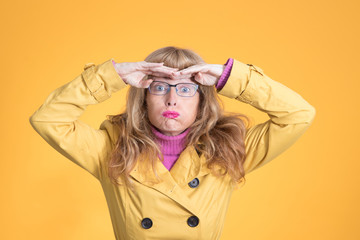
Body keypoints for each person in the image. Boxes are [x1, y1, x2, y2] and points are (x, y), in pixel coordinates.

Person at [29, 46, 316, 240]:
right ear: (143, 97)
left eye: (187, 89)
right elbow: (47, 120)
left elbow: (298, 115)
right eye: (160, 87)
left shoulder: (230, 148)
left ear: (202, 100)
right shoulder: (111, 149)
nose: (172, 99)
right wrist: (112, 77)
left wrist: (231, 77)